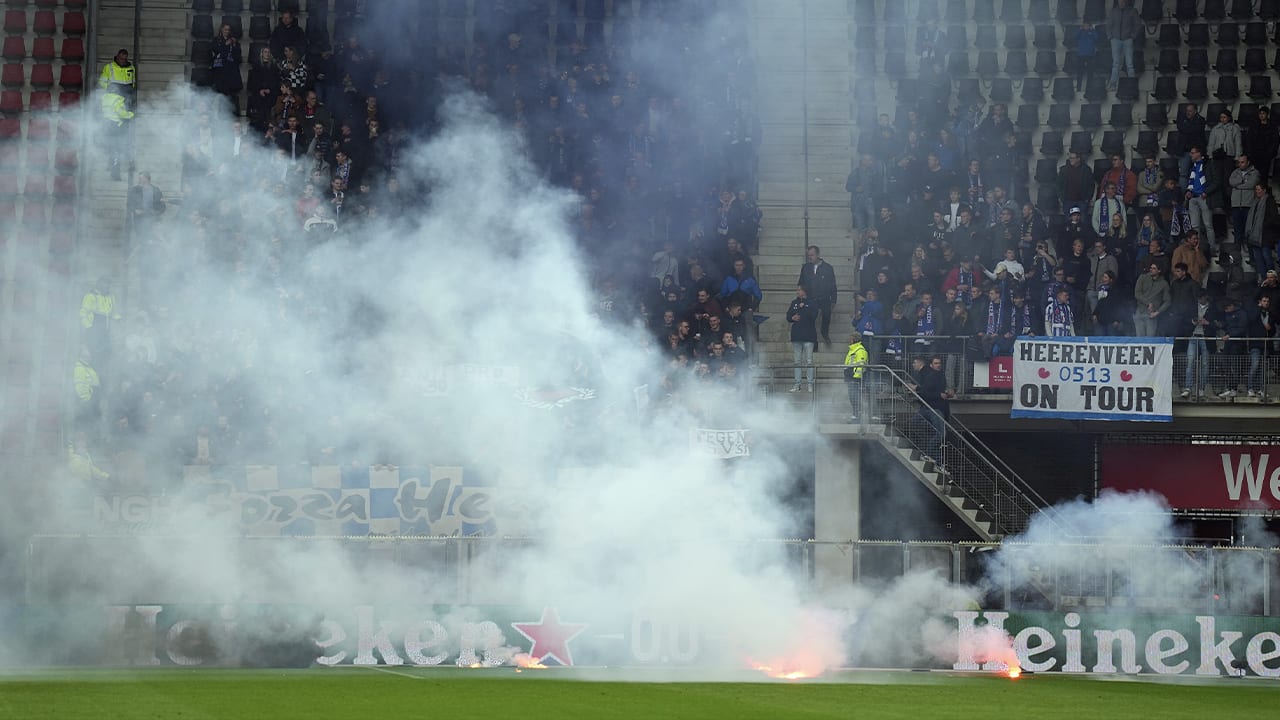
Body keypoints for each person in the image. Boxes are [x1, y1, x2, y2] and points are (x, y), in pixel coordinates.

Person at [99, 49, 136, 180]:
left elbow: (132, 83)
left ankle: (116, 163)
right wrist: (132, 115)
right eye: (121, 58)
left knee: (117, 145)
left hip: (122, 105)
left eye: (125, 58)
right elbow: (102, 82)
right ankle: (117, 166)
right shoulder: (109, 67)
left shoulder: (131, 67)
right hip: (117, 122)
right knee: (118, 145)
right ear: (117, 57)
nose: (123, 60)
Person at [915, 356, 952, 469]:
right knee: (941, 434)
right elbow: (924, 393)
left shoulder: (939, 376)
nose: (938, 365)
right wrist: (939, 395)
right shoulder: (931, 376)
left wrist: (946, 393)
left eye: (939, 363)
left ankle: (939, 463)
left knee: (936, 436)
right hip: (933, 409)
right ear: (931, 365)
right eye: (936, 363)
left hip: (938, 408)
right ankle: (926, 454)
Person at [798, 245, 838, 345]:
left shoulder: (828, 268)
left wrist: (833, 299)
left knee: (826, 314)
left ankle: (825, 334)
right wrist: (801, 295)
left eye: (812, 255)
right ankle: (812, 339)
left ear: (818, 255)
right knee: (810, 318)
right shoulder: (806, 267)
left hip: (824, 297)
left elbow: (833, 285)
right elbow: (801, 282)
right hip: (810, 297)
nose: (810, 257)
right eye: (809, 255)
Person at [1181, 290, 1214, 399]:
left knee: (1205, 364)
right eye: (1198, 298)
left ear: (1206, 297)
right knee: (1190, 362)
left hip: (1206, 337)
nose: (1200, 300)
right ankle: (1188, 388)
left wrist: (1208, 323)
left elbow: (1219, 323)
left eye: (1201, 298)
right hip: (1193, 336)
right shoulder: (1192, 307)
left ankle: (1201, 389)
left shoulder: (1213, 308)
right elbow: (1184, 319)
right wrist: (1192, 322)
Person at [1185, 146, 1219, 250]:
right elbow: (1191, 181)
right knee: (1194, 226)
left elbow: (1217, 181)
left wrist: (1206, 192)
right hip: (1193, 198)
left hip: (1204, 197)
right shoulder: (1192, 166)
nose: (1191, 155)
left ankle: (1212, 248)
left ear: (1199, 153)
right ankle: (1196, 248)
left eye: (1193, 153)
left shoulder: (1209, 164)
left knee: (1208, 225)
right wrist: (1188, 191)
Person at [787, 286, 818, 392]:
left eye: (799, 290)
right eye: (797, 290)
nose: (797, 292)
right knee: (797, 361)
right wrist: (792, 318)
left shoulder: (812, 303)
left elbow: (814, 316)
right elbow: (788, 316)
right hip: (796, 335)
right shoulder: (794, 303)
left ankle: (810, 383)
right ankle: (797, 384)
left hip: (809, 336)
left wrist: (804, 307)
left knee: (809, 361)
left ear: (805, 291)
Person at [1245, 182, 1280, 275]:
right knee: (1258, 259)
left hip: (1266, 235)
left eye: (1259, 189)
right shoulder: (1255, 202)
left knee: (1267, 258)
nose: (1257, 192)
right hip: (1255, 236)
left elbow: (1273, 218)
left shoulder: (1269, 201)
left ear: (1264, 190)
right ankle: (1263, 280)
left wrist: (1263, 225)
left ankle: (1272, 280)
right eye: (1256, 189)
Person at [1105, 0, 1141, 90]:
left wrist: (1133, 36)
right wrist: (1110, 37)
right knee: (1116, 63)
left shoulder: (1132, 11)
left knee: (1129, 63)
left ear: (1126, 2)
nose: (1121, 2)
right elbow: (1108, 24)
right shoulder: (1113, 11)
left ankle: (1132, 85)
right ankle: (1113, 84)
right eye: (1120, 1)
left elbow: (1138, 24)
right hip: (1115, 40)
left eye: (1123, 1)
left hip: (1127, 39)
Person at [210, 24, 243, 114]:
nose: (227, 31)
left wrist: (235, 45)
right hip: (219, 74)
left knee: (231, 97)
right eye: (225, 29)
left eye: (228, 30)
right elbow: (216, 50)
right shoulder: (216, 40)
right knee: (219, 97)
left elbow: (239, 58)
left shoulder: (234, 42)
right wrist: (225, 44)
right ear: (221, 30)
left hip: (231, 74)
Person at [1132, 262, 1171, 336]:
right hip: (1139, 311)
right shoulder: (1142, 277)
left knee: (1150, 340)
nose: (1151, 270)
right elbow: (1137, 293)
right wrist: (1148, 303)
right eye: (1150, 268)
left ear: (1159, 271)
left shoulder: (1164, 284)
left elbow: (1167, 301)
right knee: (1139, 339)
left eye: (1154, 268)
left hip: (1151, 314)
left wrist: (1158, 312)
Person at [1246, 295, 1274, 397]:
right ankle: (1250, 388)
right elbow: (1251, 319)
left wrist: (1270, 328)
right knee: (1255, 365)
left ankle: (1261, 389)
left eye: (1267, 301)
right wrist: (1258, 308)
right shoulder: (1255, 311)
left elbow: (1273, 330)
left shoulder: (1270, 314)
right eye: (1264, 301)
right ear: (1260, 302)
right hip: (1255, 343)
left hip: (1266, 344)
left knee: (1263, 368)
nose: (1266, 303)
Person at [126, 171, 164, 239]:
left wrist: (158, 212)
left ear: (147, 179)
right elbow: (129, 204)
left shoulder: (156, 190)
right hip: (140, 219)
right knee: (141, 239)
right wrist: (135, 210)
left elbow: (162, 205)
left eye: (141, 178)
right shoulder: (135, 190)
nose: (139, 180)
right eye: (139, 178)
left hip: (153, 219)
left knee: (152, 239)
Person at [843, 332, 870, 421]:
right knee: (852, 397)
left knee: (855, 397)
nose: (849, 340)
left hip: (855, 378)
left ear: (854, 339)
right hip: (850, 377)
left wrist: (856, 377)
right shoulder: (852, 350)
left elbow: (861, 365)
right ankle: (855, 414)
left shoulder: (860, 350)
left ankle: (857, 416)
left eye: (851, 338)